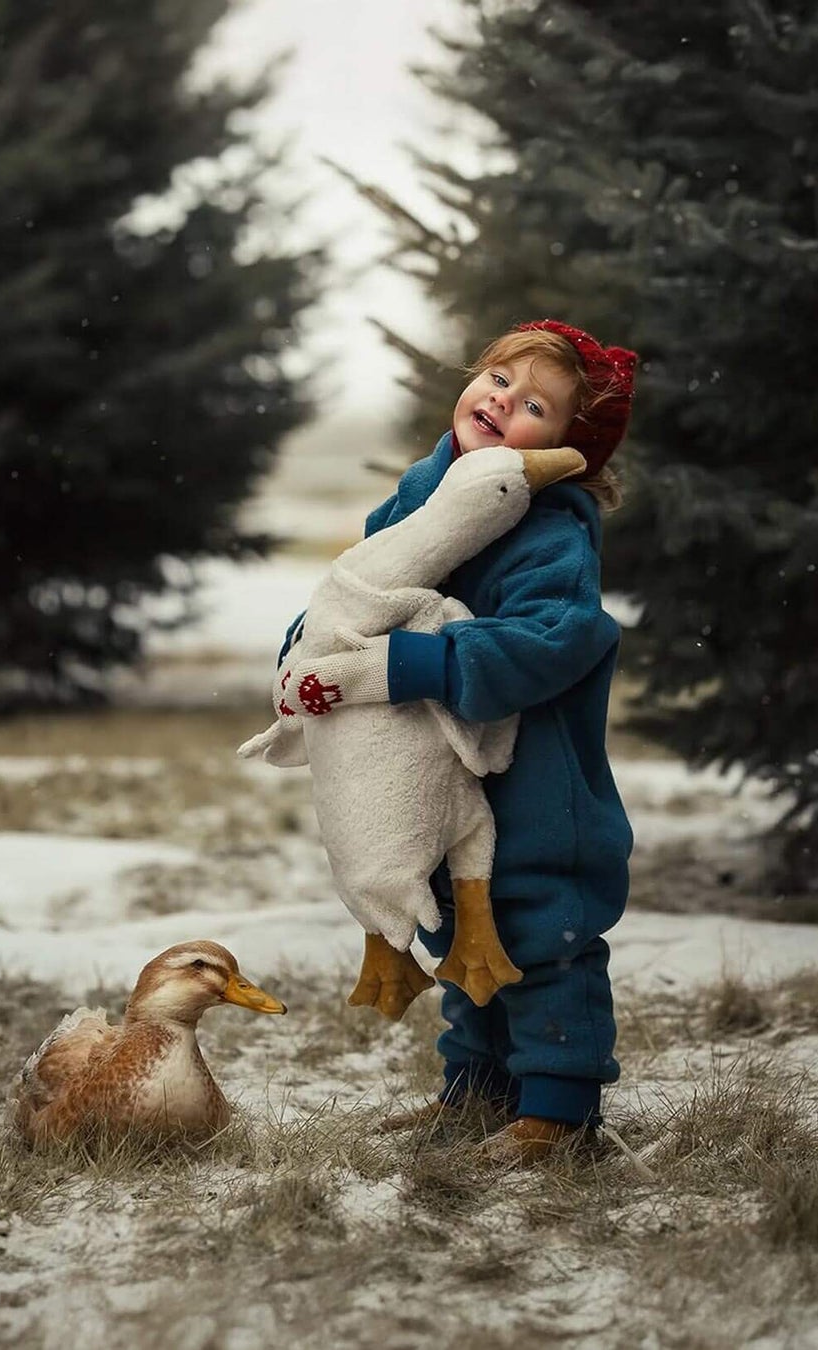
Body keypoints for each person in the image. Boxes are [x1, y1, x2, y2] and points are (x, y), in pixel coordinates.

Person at [276, 319, 636, 1162]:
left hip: (535, 781)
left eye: (536, 403)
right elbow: (358, 588)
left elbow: (555, 638)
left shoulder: (550, 535)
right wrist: (310, 648)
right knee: (462, 936)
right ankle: (475, 1089)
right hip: (433, 773)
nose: (503, 402)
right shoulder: (414, 500)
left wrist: (427, 661)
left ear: (566, 448)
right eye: (499, 381)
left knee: (536, 926)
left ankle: (561, 1106)